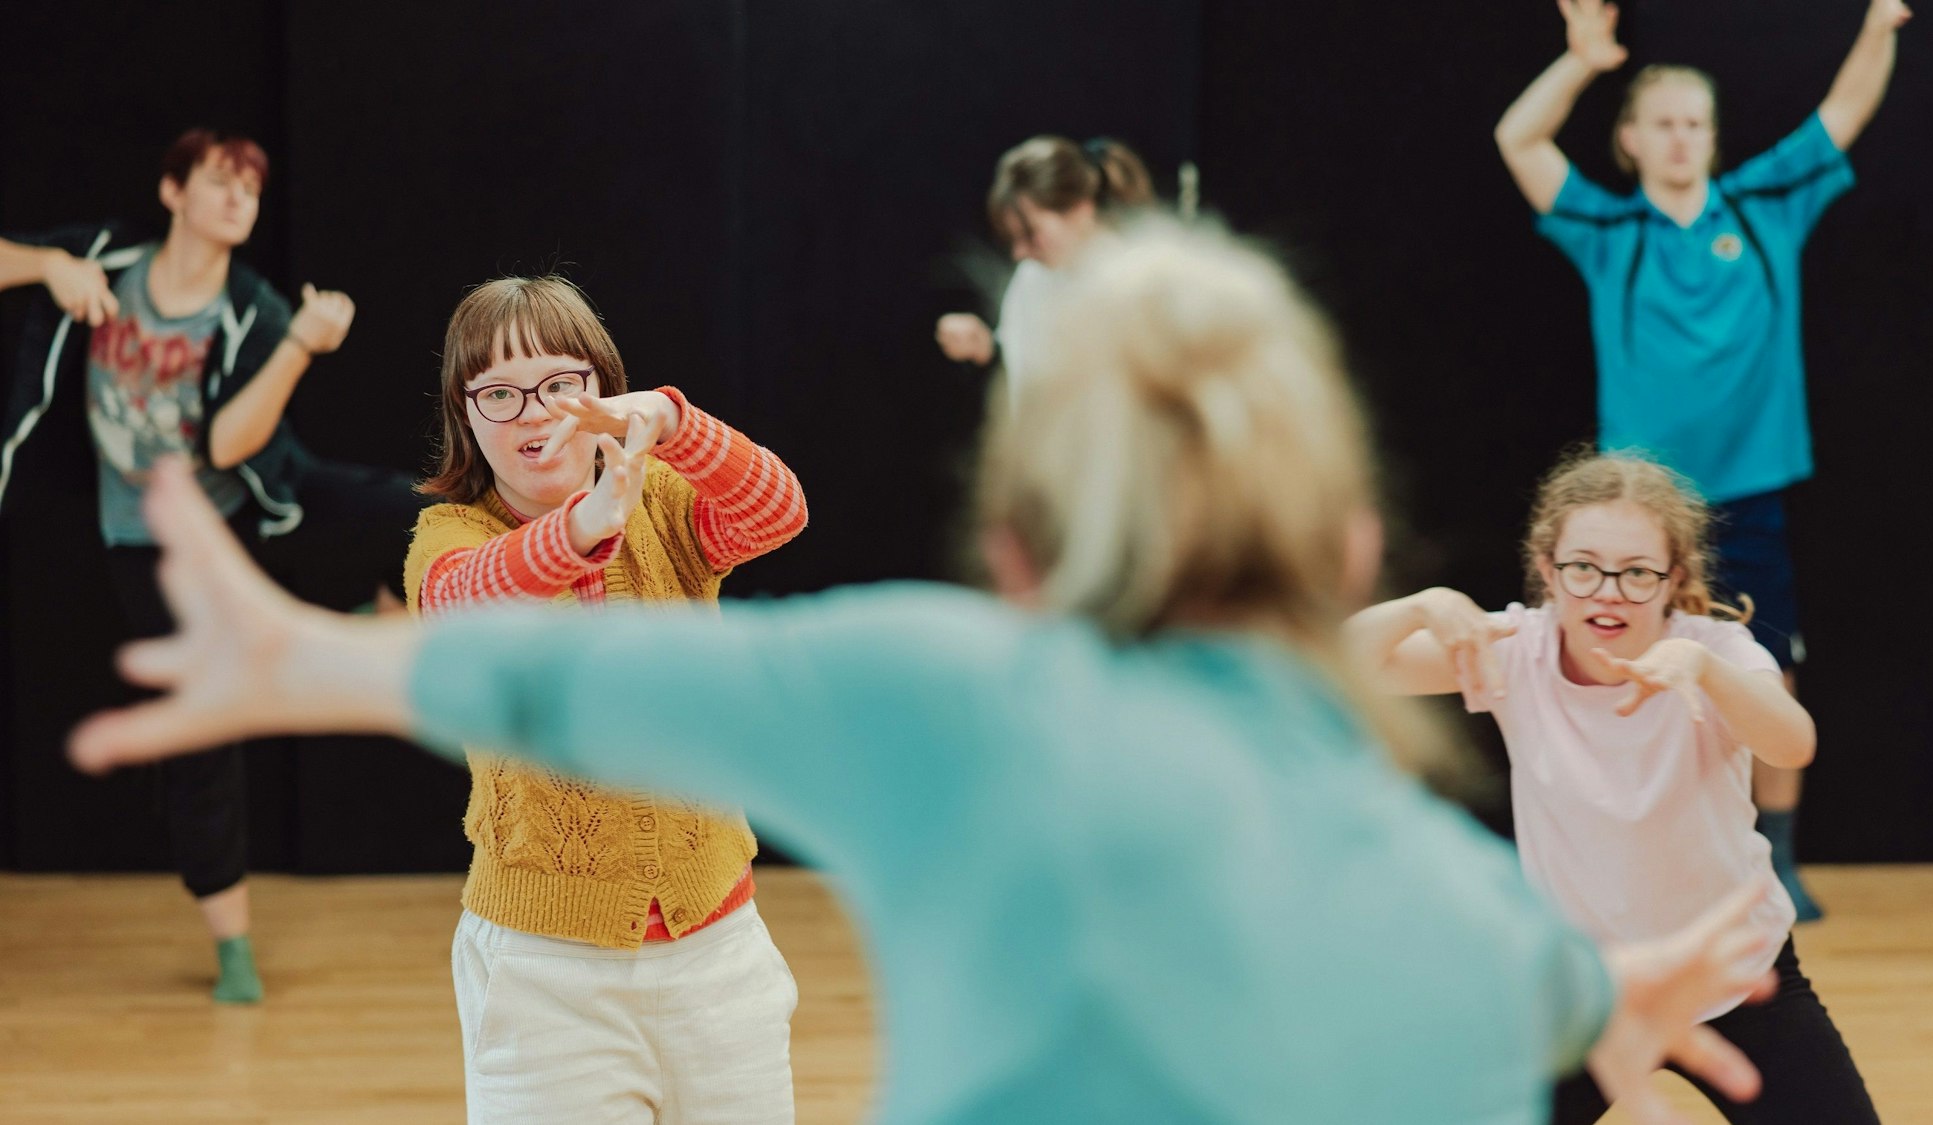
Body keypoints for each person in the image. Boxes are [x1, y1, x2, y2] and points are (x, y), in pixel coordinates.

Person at [76, 222, 1774, 1124]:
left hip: (710, 952)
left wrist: (300, 657)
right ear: (1344, 554)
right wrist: (1600, 999)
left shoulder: (941, 696)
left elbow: (582, 683)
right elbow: (1515, 972)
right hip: (549, 963)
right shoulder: (1411, 867)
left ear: (1014, 558)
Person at [1492, 0, 1912, 920]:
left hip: (1750, 492)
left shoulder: (1765, 207)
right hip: (1635, 513)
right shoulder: (1610, 233)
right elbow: (1517, 138)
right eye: (1663, 124)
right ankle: (1616, 857)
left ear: (1713, 139)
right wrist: (1581, 59)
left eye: (1696, 123)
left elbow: (1843, 110)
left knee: (1765, 671)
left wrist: (1879, 26)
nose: (1681, 139)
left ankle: (1781, 858)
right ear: (1632, 140)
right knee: (1608, 657)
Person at [0, 128, 428, 1003]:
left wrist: (301, 343)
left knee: (412, 504)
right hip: (147, 539)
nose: (239, 199)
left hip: (253, 508)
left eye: (252, 190)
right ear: (174, 191)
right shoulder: (105, 258)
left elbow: (234, 441)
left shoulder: (257, 310)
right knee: (207, 730)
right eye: (222, 181)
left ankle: (366, 624)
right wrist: (46, 266)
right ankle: (233, 946)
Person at [1348, 451, 1877, 1123]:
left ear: (1672, 578)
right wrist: (1419, 607)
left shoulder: (1714, 649)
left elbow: (1793, 743)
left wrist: (1707, 672)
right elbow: (1342, 664)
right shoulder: (1518, 650)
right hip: (1586, 988)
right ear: (1548, 570)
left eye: (1636, 573)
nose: (1607, 591)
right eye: (1584, 568)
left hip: (1735, 975)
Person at [408, 275, 808, 1122]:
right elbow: (458, 600)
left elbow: (778, 510)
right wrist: (583, 526)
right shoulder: (452, 534)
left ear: (601, 388)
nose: (532, 412)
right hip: (543, 974)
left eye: (560, 384)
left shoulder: (661, 502)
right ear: (466, 412)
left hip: (718, 949)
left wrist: (674, 421)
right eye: (500, 393)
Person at [934, 135, 1155, 408]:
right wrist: (988, 347)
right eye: (1013, 238)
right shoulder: (1033, 276)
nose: (1020, 253)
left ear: (1081, 209)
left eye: (1031, 234)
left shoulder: (1137, 284)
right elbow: (1027, 367)